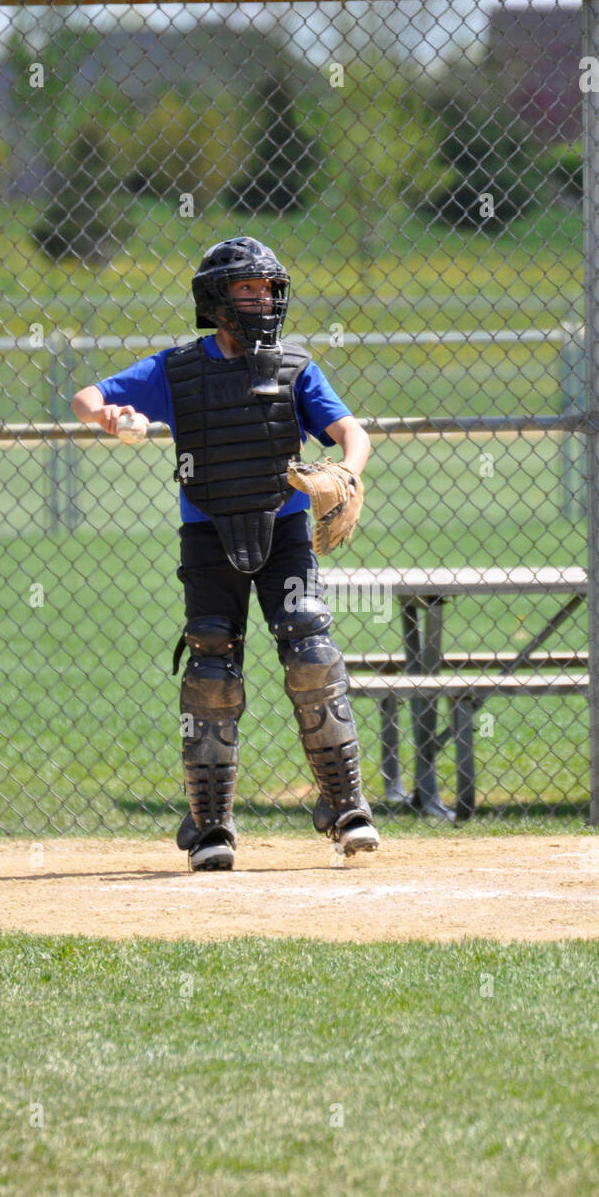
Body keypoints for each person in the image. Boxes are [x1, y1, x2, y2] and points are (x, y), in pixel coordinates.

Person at [72, 235, 380, 871]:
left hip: (287, 529)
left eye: (269, 289)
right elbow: (86, 398)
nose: (263, 301)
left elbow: (352, 432)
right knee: (211, 664)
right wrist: (112, 418)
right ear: (216, 300)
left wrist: (349, 473)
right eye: (248, 288)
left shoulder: (295, 366)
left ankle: (345, 806)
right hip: (208, 532)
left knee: (310, 648)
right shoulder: (178, 369)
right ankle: (211, 825)